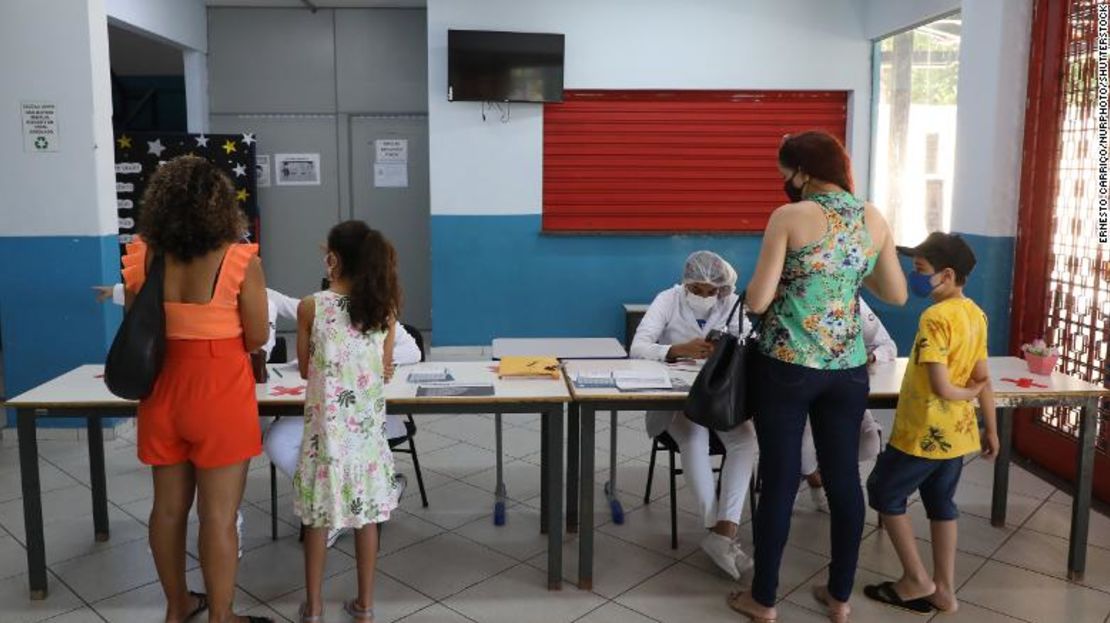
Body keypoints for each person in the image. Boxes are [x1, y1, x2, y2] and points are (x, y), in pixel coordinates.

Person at [728, 131, 907, 623]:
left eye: (785, 174)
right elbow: (895, 292)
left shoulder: (789, 217)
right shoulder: (873, 217)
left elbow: (759, 301)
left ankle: (763, 600)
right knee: (844, 479)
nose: (784, 183)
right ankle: (840, 597)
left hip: (785, 365)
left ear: (803, 172)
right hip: (847, 370)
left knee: (781, 479)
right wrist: (846, 268)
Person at [122, 156, 272, 623]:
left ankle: (177, 606)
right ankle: (221, 616)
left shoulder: (142, 254)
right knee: (218, 515)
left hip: (162, 391)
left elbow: (136, 326)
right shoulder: (239, 260)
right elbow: (255, 337)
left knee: (167, 510)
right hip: (220, 394)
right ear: (221, 204)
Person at [863, 233, 997, 616]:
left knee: (884, 493)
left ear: (947, 274)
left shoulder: (935, 317)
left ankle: (916, 579)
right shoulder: (976, 314)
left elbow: (943, 385)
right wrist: (992, 428)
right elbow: (983, 375)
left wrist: (967, 394)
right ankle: (945, 590)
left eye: (920, 271)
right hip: (956, 436)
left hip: (923, 431)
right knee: (942, 504)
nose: (913, 277)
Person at [295, 221, 405, 622]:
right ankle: (365, 605)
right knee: (367, 520)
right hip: (366, 443)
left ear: (333, 259)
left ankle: (315, 606)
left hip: (325, 440)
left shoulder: (312, 306)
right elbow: (385, 367)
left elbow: (307, 368)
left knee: (316, 520)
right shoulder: (384, 311)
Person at [630, 250, 758, 580]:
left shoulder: (730, 304)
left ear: (723, 290)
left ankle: (724, 533)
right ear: (686, 284)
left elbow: (752, 341)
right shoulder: (668, 299)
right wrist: (676, 350)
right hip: (675, 400)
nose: (704, 297)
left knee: (746, 440)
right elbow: (638, 346)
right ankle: (716, 525)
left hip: (718, 398)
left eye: (711, 291)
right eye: (697, 289)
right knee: (695, 433)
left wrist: (730, 349)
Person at [264, 319, 420, 546]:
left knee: (345, 448)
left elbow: (412, 351)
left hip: (366, 412)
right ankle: (330, 501)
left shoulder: (379, 311)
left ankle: (349, 508)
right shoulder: (322, 311)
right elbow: (306, 362)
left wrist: (364, 361)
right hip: (324, 406)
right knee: (276, 440)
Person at [799, 297, 895, 513]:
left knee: (870, 441)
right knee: (803, 445)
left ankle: (828, 471)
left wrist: (872, 357)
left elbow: (888, 346)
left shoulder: (852, 300)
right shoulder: (800, 298)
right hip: (804, 391)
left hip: (846, 389)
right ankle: (816, 481)